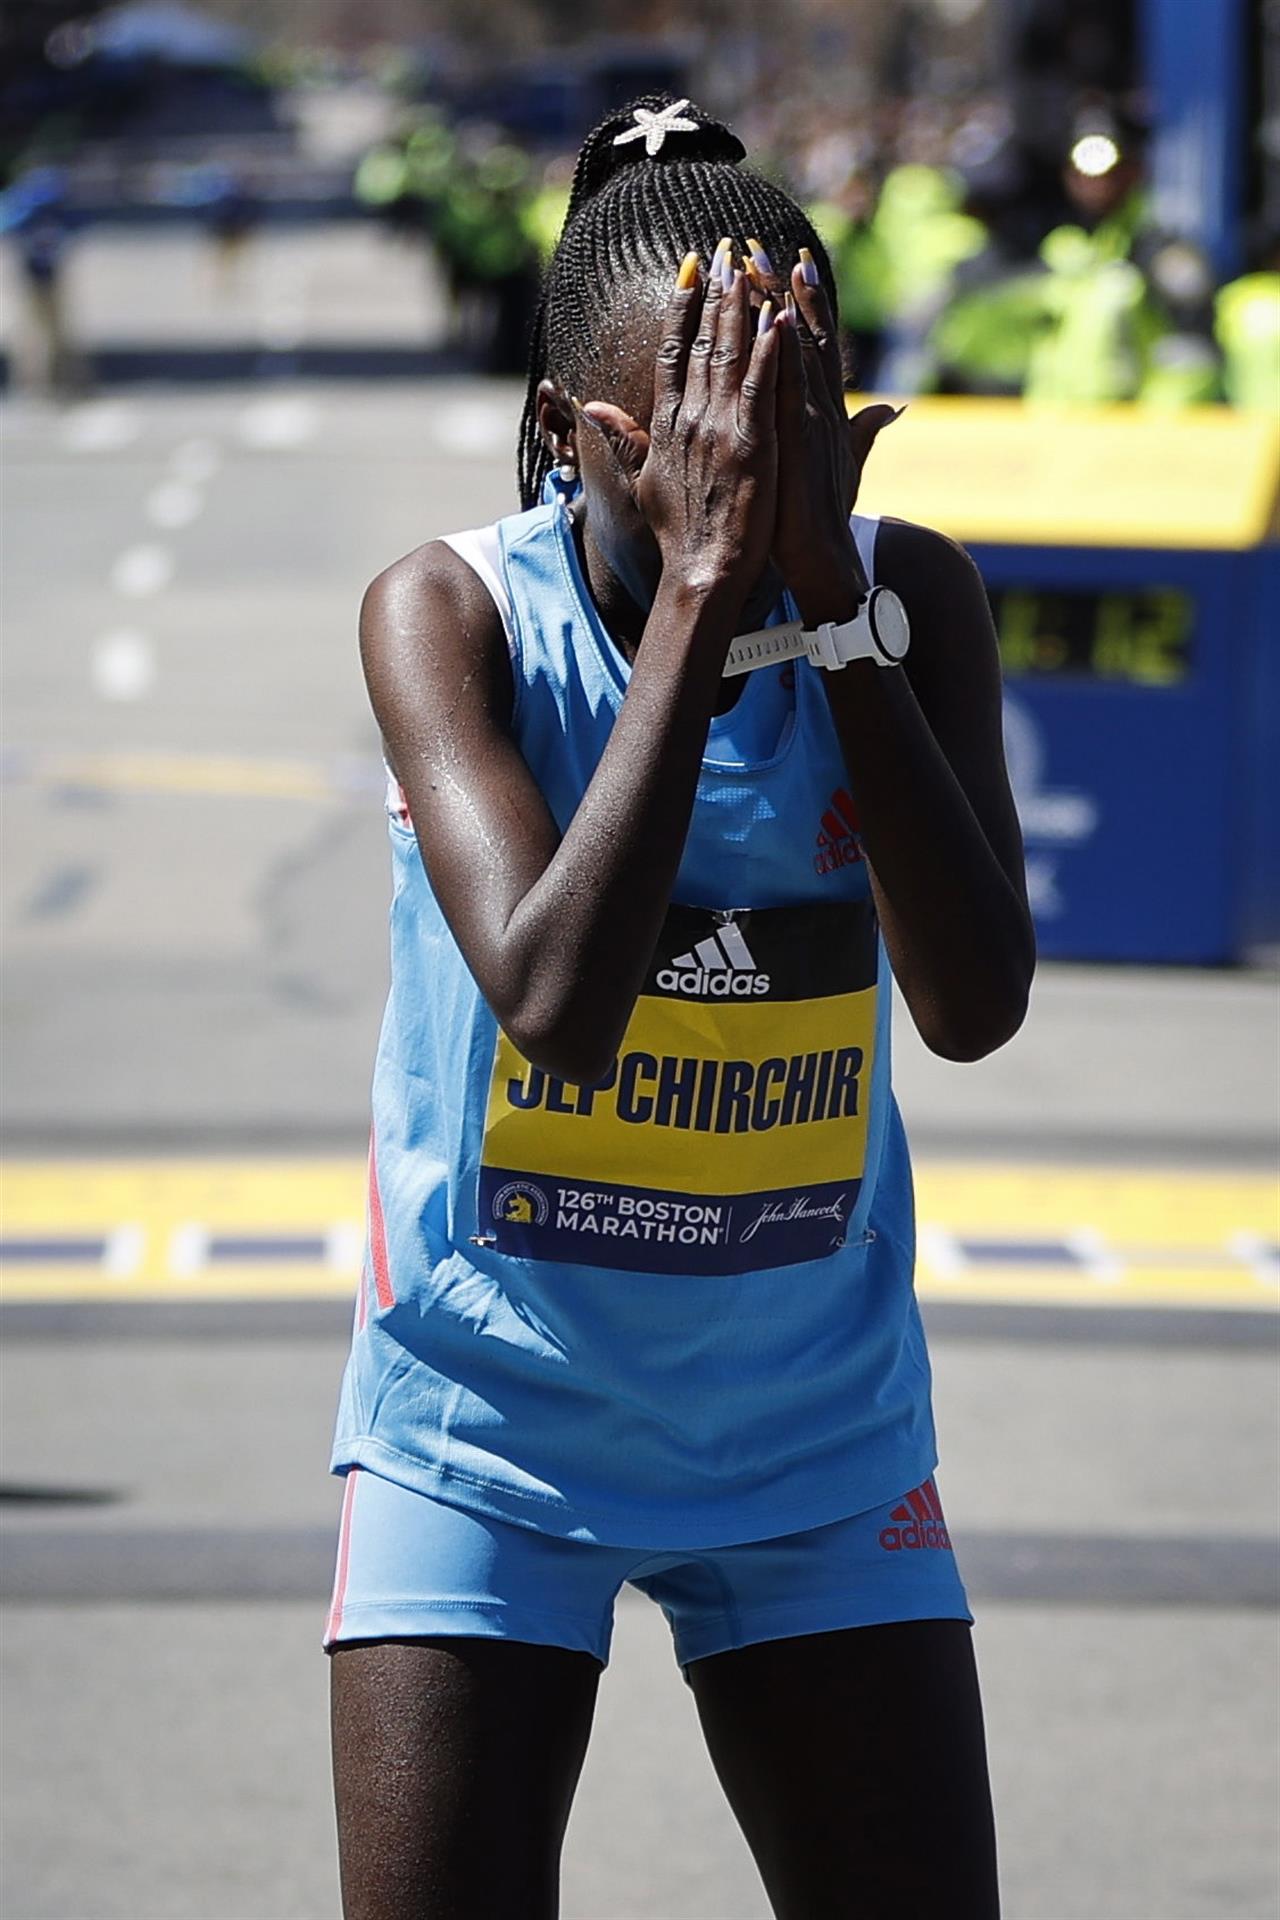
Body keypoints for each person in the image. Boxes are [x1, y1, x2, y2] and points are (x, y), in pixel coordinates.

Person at [324, 94, 1031, 1920]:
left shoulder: (906, 603)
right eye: (703, 432)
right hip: (492, 1437)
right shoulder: (451, 617)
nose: (753, 462)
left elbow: (971, 1005)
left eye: (790, 409)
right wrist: (706, 596)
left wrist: (824, 606)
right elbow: (557, 996)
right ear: (573, 435)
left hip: (813, 1443)